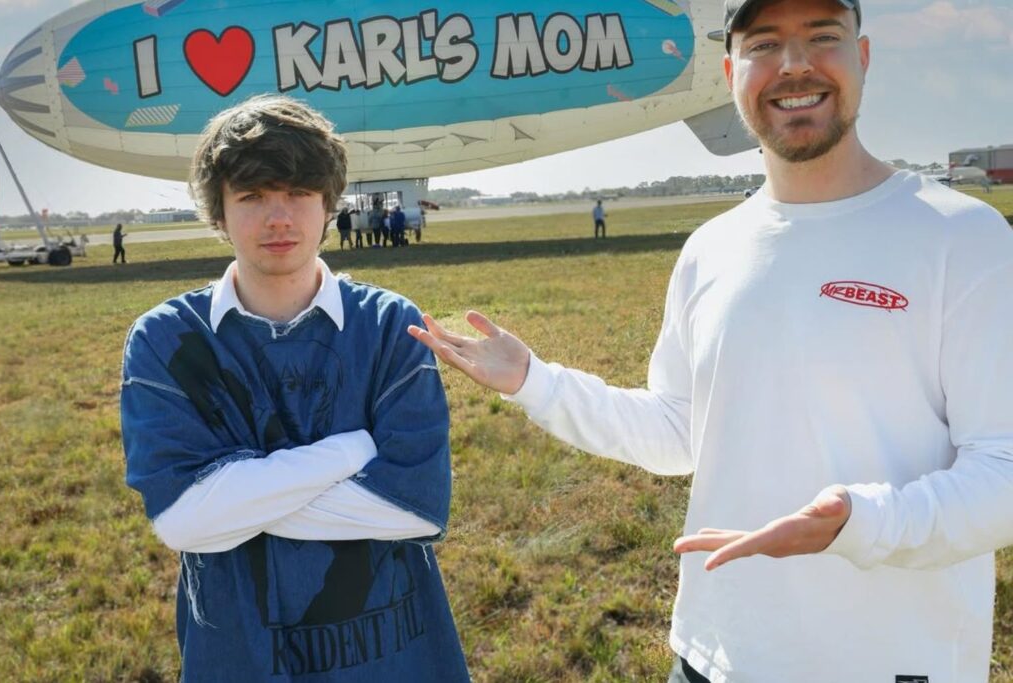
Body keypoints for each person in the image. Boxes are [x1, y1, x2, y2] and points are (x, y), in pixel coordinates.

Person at [409, 0, 1013, 681]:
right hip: (712, 654)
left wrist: (863, 522)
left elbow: (1003, 470)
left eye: (822, 37)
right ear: (731, 72)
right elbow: (677, 431)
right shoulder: (711, 247)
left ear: (863, 58)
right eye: (764, 44)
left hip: (886, 662)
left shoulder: (962, 236)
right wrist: (535, 382)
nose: (793, 65)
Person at [120, 95, 469, 681]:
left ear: (329, 205)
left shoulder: (389, 325)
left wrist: (238, 495)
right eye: (252, 196)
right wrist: (351, 451)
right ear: (220, 211)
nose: (278, 217)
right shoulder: (165, 340)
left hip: (391, 655)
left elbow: (416, 507)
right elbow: (183, 520)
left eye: (299, 194)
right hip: (240, 653)